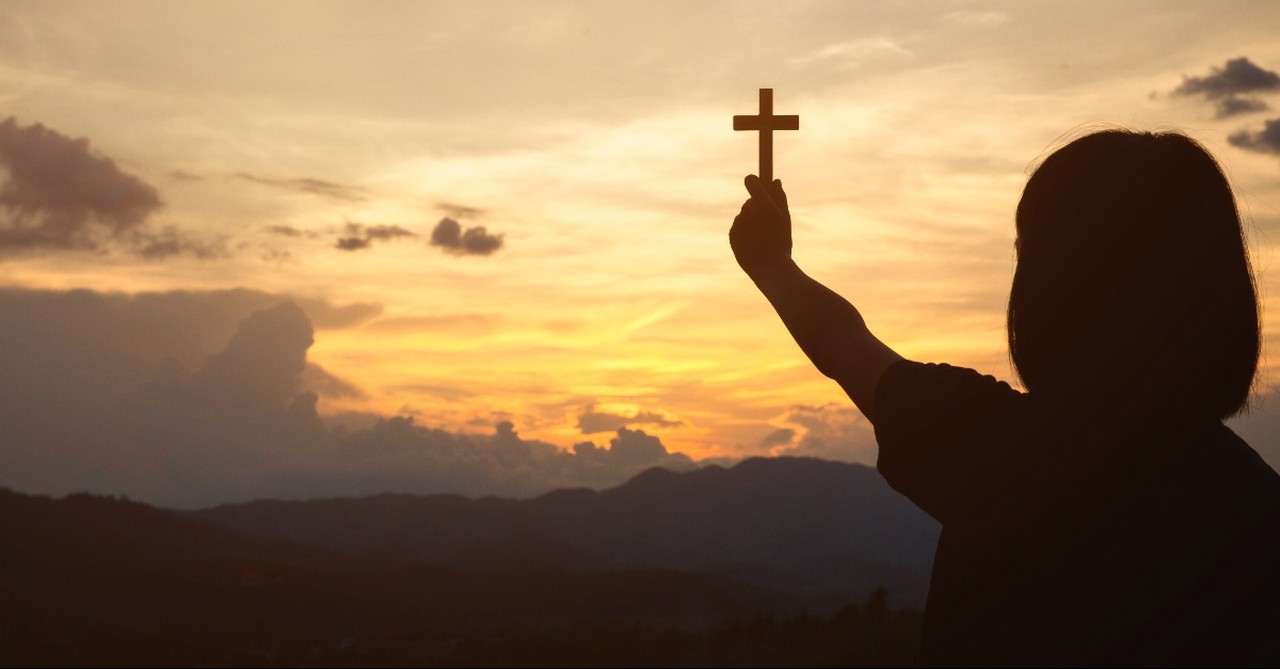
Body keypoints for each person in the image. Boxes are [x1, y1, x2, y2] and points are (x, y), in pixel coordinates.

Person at [730, 129, 1280, 666]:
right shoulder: (1255, 505)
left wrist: (771, 261)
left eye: (1027, 253)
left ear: (1055, 289)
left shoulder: (1000, 451)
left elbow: (843, 343)